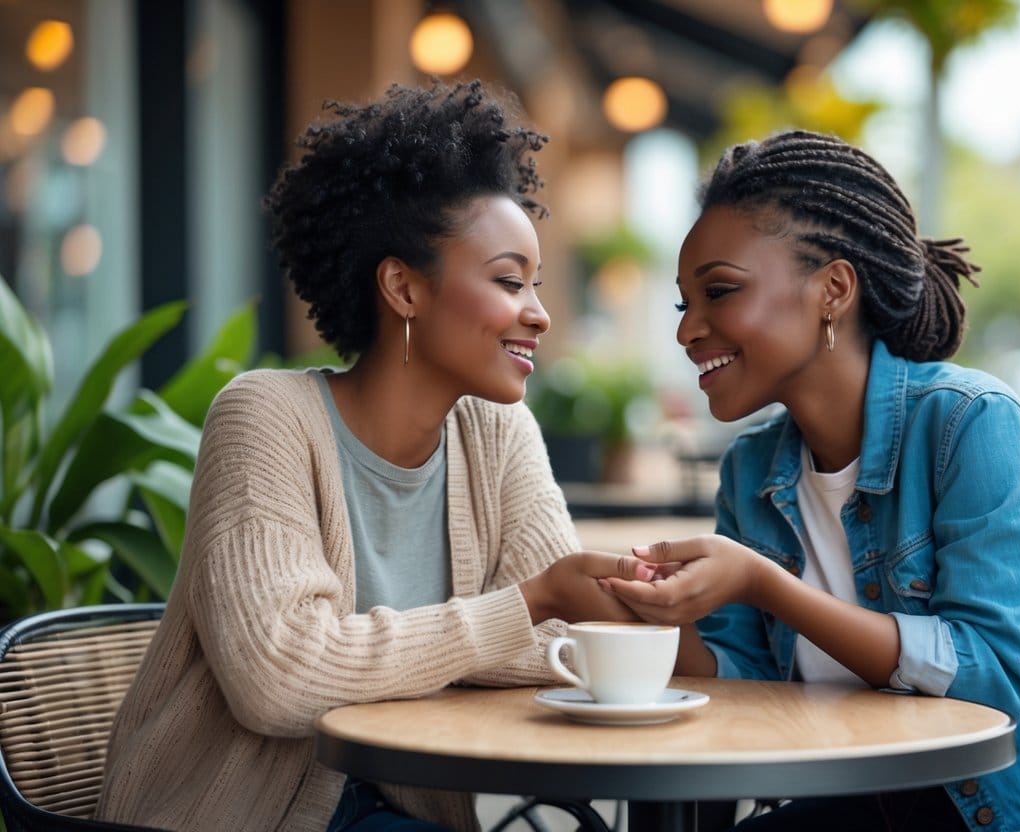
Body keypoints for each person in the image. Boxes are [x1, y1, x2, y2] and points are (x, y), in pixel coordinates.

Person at [95, 80, 648, 832]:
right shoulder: (266, 418)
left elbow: (561, 649)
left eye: (537, 285)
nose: (540, 313)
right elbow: (282, 679)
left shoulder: (497, 433)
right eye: (509, 281)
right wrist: (523, 603)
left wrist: (380, 648)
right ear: (402, 287)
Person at [601, 130, 1020, 831]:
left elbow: (989, 681)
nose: (688, 331)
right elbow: (741, 677)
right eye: (683, 304)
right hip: (867, 800)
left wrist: (766, 584)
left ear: (832, 290)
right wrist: (643, 612)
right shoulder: (752, 468)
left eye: (719, 292)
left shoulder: (971, 425)